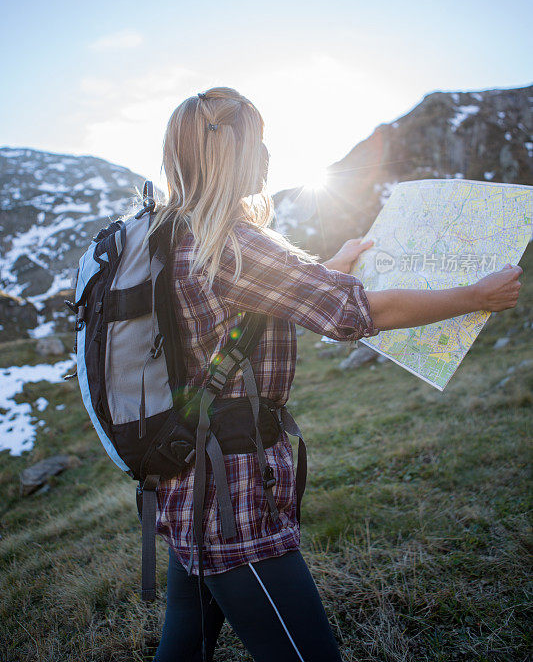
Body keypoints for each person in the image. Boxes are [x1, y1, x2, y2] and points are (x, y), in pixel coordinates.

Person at [148, 87, 523, 662]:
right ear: (228, 152)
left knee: (182, 649)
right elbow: (360, 313)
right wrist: (475, 295)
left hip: (182, 480)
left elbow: (235, 315)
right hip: (234, 494)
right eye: (260, 141)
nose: (270, 156)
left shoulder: (169, 235)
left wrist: (329, 269)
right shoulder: (233, 244)